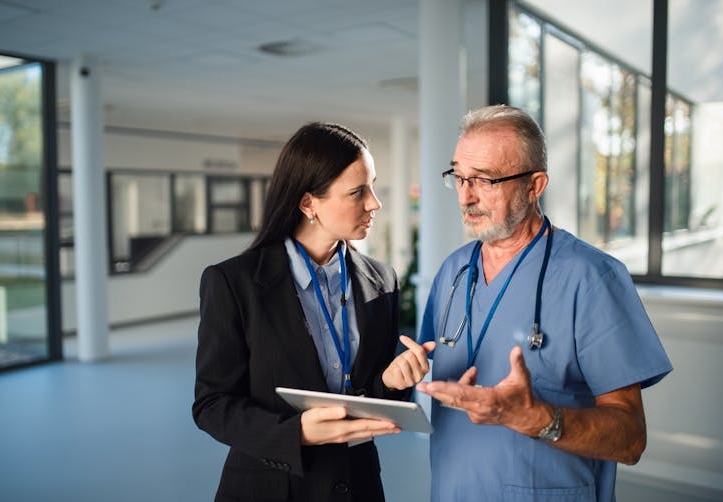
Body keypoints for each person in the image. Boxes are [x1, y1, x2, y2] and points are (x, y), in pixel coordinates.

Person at [415, 105, 672, 501]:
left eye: (485, 180)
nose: (466, 196)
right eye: (459, 176)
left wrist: (536, 419)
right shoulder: (453, 273)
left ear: (534, 186)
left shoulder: (591, 277)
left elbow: (630, 439)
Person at [193, 122, 434, 502]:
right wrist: (297, 431)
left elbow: (369, 397)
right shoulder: (232, 283)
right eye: (358, 192)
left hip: (358, 485)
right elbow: (213, 405)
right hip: (270, 487)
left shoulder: (381, 280)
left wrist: (391, 381)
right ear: (308, 204)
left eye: (372, 186)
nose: (375, 202)